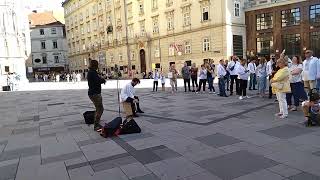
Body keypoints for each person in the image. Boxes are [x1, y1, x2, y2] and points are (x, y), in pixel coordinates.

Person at [87, 60, 106, 132]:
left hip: (92, 93)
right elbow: (97, 81)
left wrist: (101, 79)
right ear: (95, 65)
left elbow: (96, 80)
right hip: (95, 94)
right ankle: (96, 125)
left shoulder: (91, 72)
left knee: (98, 108)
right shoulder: (92, 72)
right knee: (100, 109)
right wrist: (103, 80)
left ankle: (96, 121)